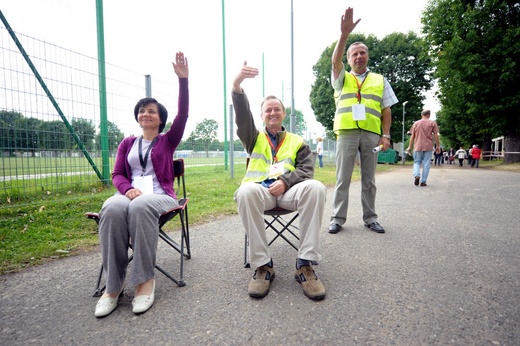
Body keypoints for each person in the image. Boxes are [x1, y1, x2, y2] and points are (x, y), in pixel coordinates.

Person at [94, 52, 189, 317]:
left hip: (160, 197)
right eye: (142, 110)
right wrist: (126, 189)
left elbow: (183, 114)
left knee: (141, 206)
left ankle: (145, 282)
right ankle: (112, 287)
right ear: (137, 117)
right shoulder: (127, 143)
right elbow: (117, 174)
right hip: (130, 194)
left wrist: (183, 80)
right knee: (111, 208)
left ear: (161, 119)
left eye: (151, 111)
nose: (145, 113)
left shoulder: (168, 140)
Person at [232, 62, 327, 301]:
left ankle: (305, 264)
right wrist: (237, 85)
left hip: (288, 193)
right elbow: (243, 118)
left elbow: (307, 169)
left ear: (284, 113)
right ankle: (263, 266)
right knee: (244, 192)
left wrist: (286, 181)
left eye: (277, 109)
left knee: (316, 188)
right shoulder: (252, 137)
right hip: (261, 194)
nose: (272, 113)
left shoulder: (297, 141)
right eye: (267, 110)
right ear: (262, 115)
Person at [328, 7, 398, 235]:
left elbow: (386, 109)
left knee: (369, 179)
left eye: (362, 53)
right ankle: (337, 218)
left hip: (370, 133)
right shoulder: (341, 77)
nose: (358, 56)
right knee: (342, 178)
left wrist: (385, 135)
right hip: (347, 132)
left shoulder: (379, 79)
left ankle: (370, 218)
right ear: (348, 59)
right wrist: (344, 35)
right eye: (354, 54)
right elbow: (334, 61)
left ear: (367, 56)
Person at [405, 110, 440, 187]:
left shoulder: (416, 123)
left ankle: (417, 175)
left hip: (418, 145)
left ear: (421, 115)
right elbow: (436, 135)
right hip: (428, 146)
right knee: (426, 163)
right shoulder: (433, 123)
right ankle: (423, 181)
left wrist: (409, 147)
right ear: (429, 115)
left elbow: (412, 136)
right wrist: (437, 146)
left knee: (417, 162)